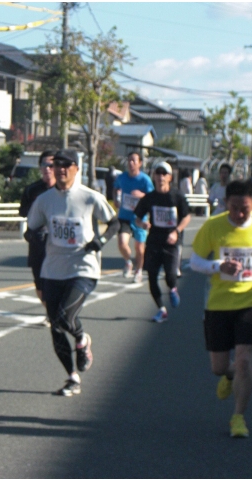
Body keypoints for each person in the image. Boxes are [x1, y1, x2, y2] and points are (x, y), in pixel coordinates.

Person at [190, 179, 252, 438]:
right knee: (219, 367)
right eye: (234, 208)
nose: (240, 214)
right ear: (226, 204)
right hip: (218, 303)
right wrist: (217, 266)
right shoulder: (214, 226)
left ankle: (238, 418)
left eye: (245, 208)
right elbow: (195, 261)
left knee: (244, 360)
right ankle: (229, 375)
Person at [27, 149, 120, 397]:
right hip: (53, 270)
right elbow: (31, 229)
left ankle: (81, 340)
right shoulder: (44, 200)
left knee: (64, 317)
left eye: (67, 165)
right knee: (55, 327)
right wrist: (36, 236)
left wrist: (101, 241)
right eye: (57, 165)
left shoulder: (90, 197)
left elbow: (116, 222)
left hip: (83, 267)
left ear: (76, 169)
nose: (61, 169)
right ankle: (72, 378)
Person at [134, 161, 191, 323]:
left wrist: (177, 231)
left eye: (164, 174)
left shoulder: (177, 196)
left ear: (170, 177)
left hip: (171, 242)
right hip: (153, 241)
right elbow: (138, 218)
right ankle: (161, 309)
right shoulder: (149, 198)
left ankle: (172, 289)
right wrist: (143, 223)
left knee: (170, 276)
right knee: (151, 277)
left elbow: (187, 216)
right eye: (157, 173)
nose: (160, 177)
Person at [19, 151, 56, 326]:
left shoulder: (62, 190)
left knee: (54, 279)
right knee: (39, 282)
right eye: (44, 165)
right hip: (37, 241)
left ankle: (54, 311)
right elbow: (23, 211)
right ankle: (49, 310)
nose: (48, 169)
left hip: (57, 242)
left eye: (51, 165)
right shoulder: (32, 190)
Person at [113, 152, 154, 283]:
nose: (131, 163)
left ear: (140, 163)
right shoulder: (122, 177)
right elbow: (115, 189)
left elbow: (153, 196)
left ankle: (139, 271)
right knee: (122, 242)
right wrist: (116, 199)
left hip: (140, 218)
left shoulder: (145, 180)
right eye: (129, 160)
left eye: (134, 161)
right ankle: (128, 262)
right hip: (124, 216)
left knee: (139, 248)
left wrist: (141, 195)